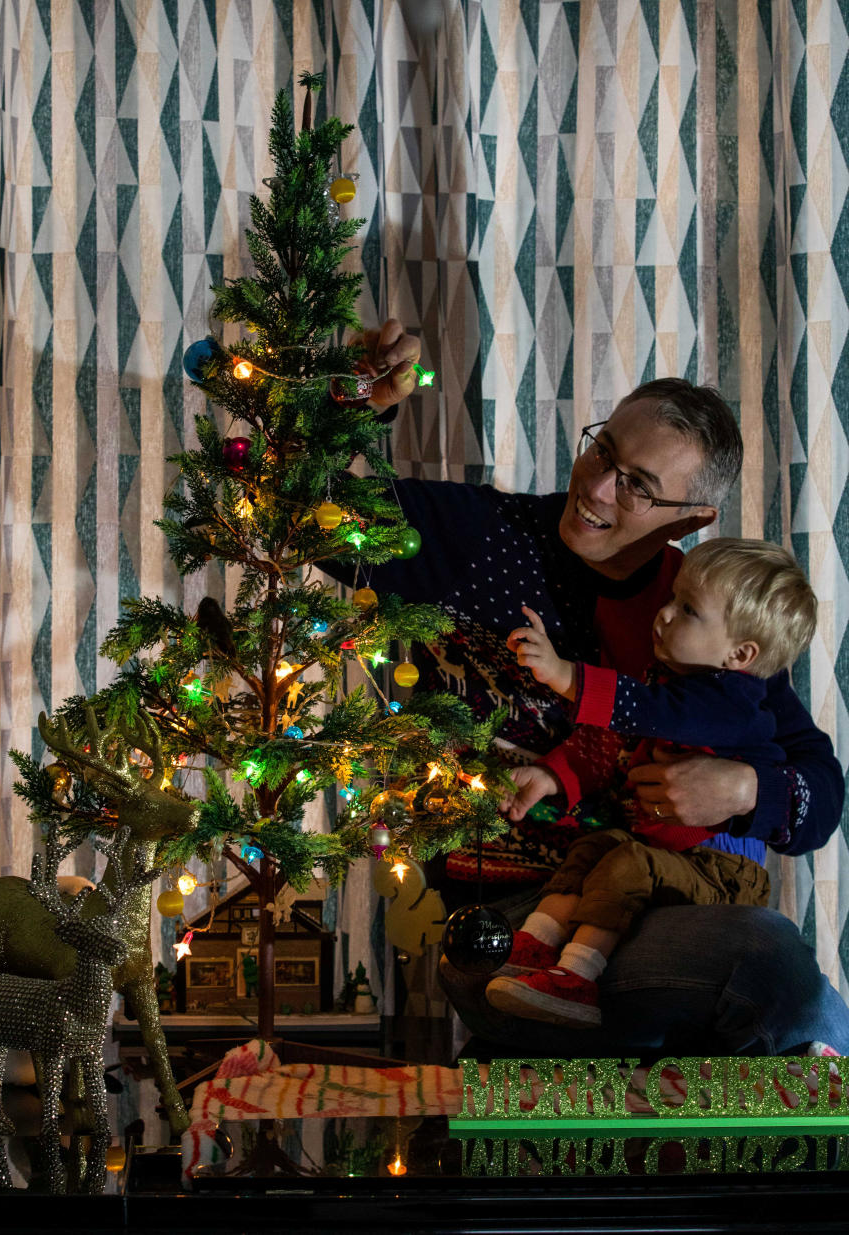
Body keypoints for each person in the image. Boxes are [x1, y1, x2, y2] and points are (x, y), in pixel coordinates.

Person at [342, 318, 848, 1057]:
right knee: (769, 966)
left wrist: (741, 789)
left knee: (767, 960)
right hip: (508, 917)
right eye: (603, 449)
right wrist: (358, 398)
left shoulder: (701, 615)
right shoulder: (487, 540)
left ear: (694, 518)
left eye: (638, 486)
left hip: (658, 901)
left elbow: (819, 790)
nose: (599, 486)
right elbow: (310, 517)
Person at [482, 538, 815, 1027]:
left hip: (719, 871)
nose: (662, 615)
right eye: (671, 599)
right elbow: (607, 744)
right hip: (667, 852)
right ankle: (535, 945)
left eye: (688, 610)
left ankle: (578, 978)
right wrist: (551, 776)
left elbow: (649, 711)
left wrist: (565, 677)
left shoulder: (732, 705)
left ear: (739, 654)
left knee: (627, 866)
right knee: (592, 851)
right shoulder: (674, 683)